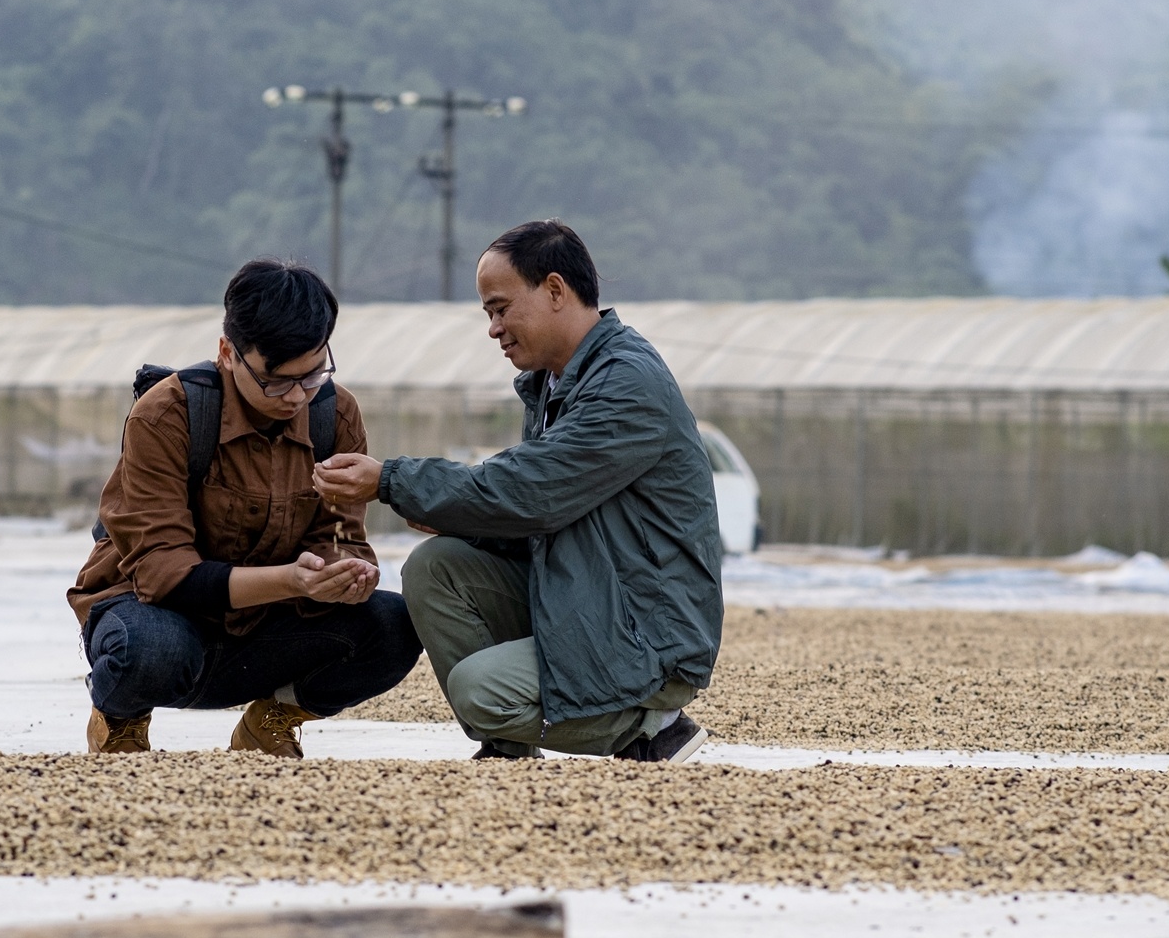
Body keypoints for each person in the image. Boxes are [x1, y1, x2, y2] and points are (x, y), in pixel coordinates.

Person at [314, 220, 721, 762]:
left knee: (480, 692)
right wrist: (459, 516)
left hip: (645, 630)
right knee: (435, 567)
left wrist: (390, 480)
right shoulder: (558, 380)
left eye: (501, 309)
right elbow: (541, 505)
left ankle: (653, 728)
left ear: (554, 290)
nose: (494, 329)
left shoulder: (626, 382)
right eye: (489, 313)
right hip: (589, 596)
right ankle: (509, 750)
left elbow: (534, 491)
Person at [67, 259, 422, 757]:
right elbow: (165, 575)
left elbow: (340, 534)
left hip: (263, 628)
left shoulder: (334, 414)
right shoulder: (166, 415)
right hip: (160, 617)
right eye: (276, 381)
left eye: (313, 374)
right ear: (227, 353)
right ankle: (120, 716)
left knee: (394, 626)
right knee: (150, 651)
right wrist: (293, 581)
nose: (296, 396)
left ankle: (273, 717)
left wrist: (344, 573)